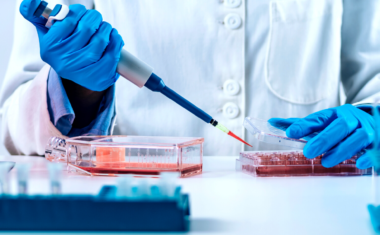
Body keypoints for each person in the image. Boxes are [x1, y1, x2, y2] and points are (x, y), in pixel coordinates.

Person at [1, 0, 379, 168]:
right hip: (143, 214)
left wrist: (372, 116)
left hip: (313, 214)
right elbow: (12, 133)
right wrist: (77, 88)